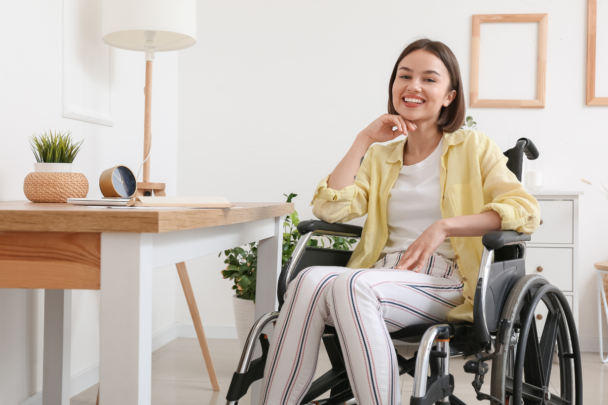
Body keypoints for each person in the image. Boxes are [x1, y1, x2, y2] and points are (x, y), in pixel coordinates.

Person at [259, 38, 540, 405]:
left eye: (429, 79)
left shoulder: (473, 147)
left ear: (449, 96)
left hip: (446, 278)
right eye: (404, 76)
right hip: (378, 274)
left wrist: (443, 226)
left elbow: (525, 210)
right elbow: (329, 209)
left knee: (351, 286)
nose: (413, 86)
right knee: (307, 280)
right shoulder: (380, 156)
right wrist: (363, 140)